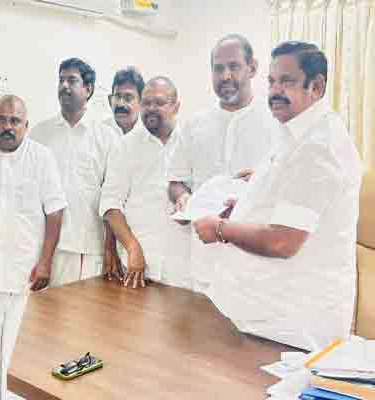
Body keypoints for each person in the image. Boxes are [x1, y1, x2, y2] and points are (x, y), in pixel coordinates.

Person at [193, 41, 363, 350]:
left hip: (293, 324)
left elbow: (283, 241)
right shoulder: (296, 133)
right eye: (271, 81)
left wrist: (220, 229)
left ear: (317, 86)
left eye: (287, 81)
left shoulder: (318, 147)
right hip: (267, 313)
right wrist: (245, 205)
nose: (275, 91)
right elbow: (286, 199)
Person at [168, 34, 281, 294]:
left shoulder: (276, 121)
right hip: (204, 264)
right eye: (218, 68)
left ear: (252, 68)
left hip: (255, 267)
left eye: (234, 66)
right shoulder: (195, 125)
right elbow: (176, 180)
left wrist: (262, 179)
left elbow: (290, 184)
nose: (225, 76)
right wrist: (182, 198)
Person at [0, 94, 67, 399]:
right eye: (2, 120)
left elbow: (55, 212)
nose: (8, 126)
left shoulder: (41, 157)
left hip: (28, 271)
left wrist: (45, 262)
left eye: (15, 121)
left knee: (21, 351)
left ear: (26, 125)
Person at [29, 57, 120, 287]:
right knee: (44, 309)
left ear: (88, 89)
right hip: (45, 247)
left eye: (72, 80)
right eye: (61, 80)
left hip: (88, 247)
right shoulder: (40, 134)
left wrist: (110, 247)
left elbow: (113, 197)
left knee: (85, 310)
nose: (64, 86)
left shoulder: (106, 137)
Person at [100, 77, 190, 289]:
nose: (151, 108)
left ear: (176, 106)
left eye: (159, 102)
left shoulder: (191, 141)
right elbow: (110, 205)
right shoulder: (126, 146)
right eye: (146, 103)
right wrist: (132, 247)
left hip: (183, 272)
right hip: (137, 271)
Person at [104, 66, 145, 135]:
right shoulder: (98, 132)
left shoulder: (150, 133)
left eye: (128, 98)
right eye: (117, 97)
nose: (120, 104)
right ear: (110, 101)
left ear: (141, 103)